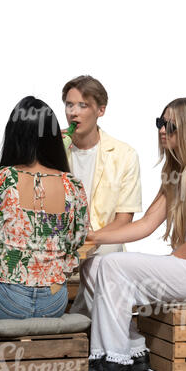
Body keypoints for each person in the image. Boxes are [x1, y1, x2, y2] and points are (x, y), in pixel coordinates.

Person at [86, 97, 186, 371]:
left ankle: (112, 360)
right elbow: (145, 224)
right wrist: (93, 235)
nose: (162, 130)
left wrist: (167, 262)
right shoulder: (175, 173)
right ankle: (133, 350)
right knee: (93, 267)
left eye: (171, 125)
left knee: (114, 265)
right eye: (160, 123)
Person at [0, 96, 89, 319]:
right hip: (54, 304)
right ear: (54, 137)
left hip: (7, 302)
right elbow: (77, 240)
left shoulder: (3, 179)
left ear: (14, 135)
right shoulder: (72, 184)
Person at [61, 75, 143, 318]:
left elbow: (124, 220)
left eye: (83, 106)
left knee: (102, 261)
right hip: (60, 243)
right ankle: (111, 334)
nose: (73, 113)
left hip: (104, 243)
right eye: (69, 105)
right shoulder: (54, 148)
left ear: (101, 110)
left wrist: (91, 239)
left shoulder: (124, 154)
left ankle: (84, 326)